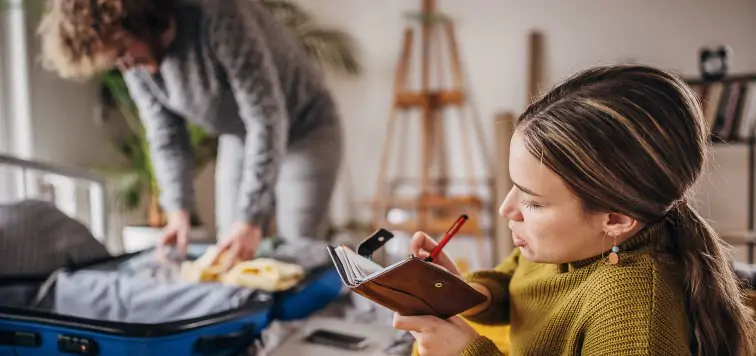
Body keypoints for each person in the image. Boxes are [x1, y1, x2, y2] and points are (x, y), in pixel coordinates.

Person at [393, 65, 756, 355]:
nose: (507, 209)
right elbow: (518, 285)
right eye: (515, 188)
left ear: (614, 219)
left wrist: (468, 353)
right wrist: (461, 292)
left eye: (532, 202)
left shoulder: (633, 317)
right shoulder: (567, 242)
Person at [36, 0, 343, 265]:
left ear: (140, 20)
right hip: (240, 136)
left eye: (121, 50)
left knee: (298, 245)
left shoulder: (217, 13)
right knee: (230, 245)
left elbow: (265, 115)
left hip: (306, 127)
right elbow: (166, 135)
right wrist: (178, 211)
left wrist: (251, 218)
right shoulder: (134, 64)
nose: (125, 65)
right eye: (116, 60)